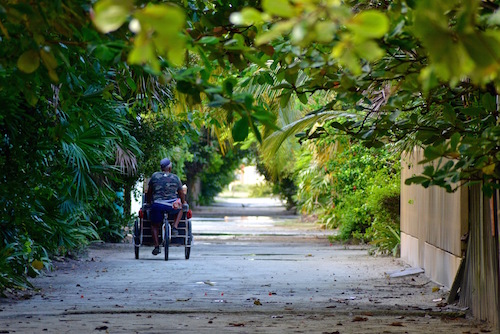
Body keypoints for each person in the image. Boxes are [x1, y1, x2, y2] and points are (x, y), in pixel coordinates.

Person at [146, 158, 186, 255]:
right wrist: (183, 202)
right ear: (170, 168)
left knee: (154, 225)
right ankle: (175, 227)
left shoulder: (155, 176)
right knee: (180, 208)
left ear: (161, 168)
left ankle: (156, 246)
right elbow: (181, 193)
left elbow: (149, 191)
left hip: (157, 205)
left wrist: (149, 202)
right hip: (172, 205)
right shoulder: (175, 178)